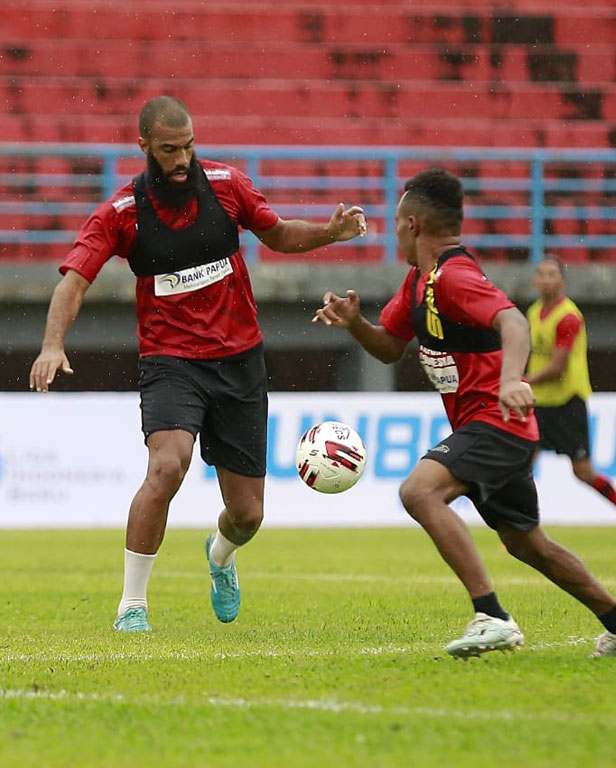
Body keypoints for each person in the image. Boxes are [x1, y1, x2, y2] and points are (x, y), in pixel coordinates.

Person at [29, 96, 366, 632]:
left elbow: (276, 233)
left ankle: (220, 558)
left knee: (247, 515)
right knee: (167, 466)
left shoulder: (227, 185)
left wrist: (329, 232)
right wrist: (52, 344)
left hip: (239, 361)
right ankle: (132, 605)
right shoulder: (120, 212)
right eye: (169, 149)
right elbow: (73, 282)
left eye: (188, 145)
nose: (182, 158)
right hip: (171, 361)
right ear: (144, 148)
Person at [313, 168, 616, 659]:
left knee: (419, 491)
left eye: (395, 223)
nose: (392, 233)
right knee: (526, 544)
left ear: (412, 225)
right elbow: (389, 347)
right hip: (495, 427)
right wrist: (354, 324)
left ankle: (491, 616)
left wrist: (512, 379)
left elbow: (512, 320)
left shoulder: (455, 276)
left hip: (495, 421)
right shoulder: (419, 283)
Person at [526, 256, 616, 547]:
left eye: (552, 274)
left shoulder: (568, 316)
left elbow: (557, 368)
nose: (546, 279)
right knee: (521, 467)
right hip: (539, 405)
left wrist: (522, 381)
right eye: (541, 274)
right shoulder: (533, 312)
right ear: (535, 280)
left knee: (583, 473)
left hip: (568, 403)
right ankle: (522, 530)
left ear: (562, 281)